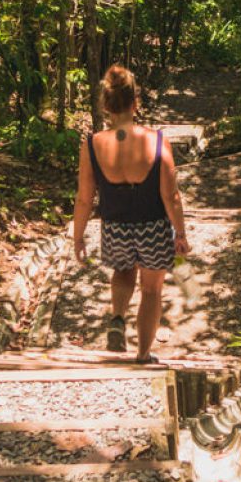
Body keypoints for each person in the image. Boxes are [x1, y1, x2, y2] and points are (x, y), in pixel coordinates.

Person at [72, 65, 189, 362]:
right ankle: (143, 353)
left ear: (106, 106)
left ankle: (117, 318)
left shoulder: (93, 144)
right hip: (153, 226)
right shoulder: (157, 142)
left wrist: (78, 237)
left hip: (115, 226)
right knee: (151, 290)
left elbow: (85, 198)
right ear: (135, 102)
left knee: (123, 272)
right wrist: (181, 233)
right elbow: (170, 195)